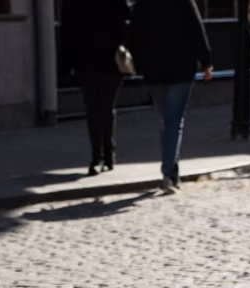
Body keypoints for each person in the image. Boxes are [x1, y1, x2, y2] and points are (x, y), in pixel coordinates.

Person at [129, 0, 213, 194]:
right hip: (181, 67)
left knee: (165, 120)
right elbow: (196, 29)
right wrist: (206, 62)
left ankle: (171, 172)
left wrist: (137, 62)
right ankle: (169, 172)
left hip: (154, 69)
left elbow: (134, 34)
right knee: (173, 121)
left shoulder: (144, 4)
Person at [61, 0, 130, 175]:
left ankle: (105, 155)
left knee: (103, 108)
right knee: (96, 109)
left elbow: (127, 20)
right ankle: (100, 156)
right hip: (88, 61)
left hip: (108, 61)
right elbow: (67, 29)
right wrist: (66, 64)